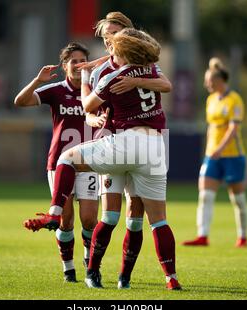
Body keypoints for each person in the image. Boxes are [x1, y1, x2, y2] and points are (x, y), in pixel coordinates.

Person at [23, 28, 182, 291]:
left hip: (124, 143)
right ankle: (171, 277)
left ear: (121, 50)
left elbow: (87, 106)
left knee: (68, 158)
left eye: (112, 42)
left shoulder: (115, 76)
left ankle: (54, 214)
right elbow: (165, 85)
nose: (108, 46)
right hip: (155, 147)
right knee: (158, 221)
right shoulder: (151, 70)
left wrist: (85, 79)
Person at [83, 12, 173, 290]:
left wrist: (136, 81)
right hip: (112, 140)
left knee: (135, 219)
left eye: (114, 33)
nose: (109, 39)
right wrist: (92, 120)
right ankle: (92, 272)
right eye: (105, 34)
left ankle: (125, 278)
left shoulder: (143, 64)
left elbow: (164, 85)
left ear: (127, 35)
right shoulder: (101, 71)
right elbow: (87, 109)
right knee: (109, 216)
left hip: (142, 144)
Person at [14, 43, 99, 282]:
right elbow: (20, 101)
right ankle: (68, 268)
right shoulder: (56, 90)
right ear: (64, 66)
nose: (79, 64)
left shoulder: (94, 92)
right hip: (60, 163)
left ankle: (87, 258)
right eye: (74, 61)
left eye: (83, 60)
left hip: (89, 162)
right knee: (65, 220)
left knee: (90, 218)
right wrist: (37, 80)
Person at [182, 58, 247, 248]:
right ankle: (202, 235)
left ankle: (243, 237)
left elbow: (233, 129)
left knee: (237, 199)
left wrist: (220, 149)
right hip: (213, 156)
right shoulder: (211, 100)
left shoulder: (235, 99)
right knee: (205, 195)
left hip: (232, 156)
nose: (206, 84)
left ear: (219, 80)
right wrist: (211, 151)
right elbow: (212, 128)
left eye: (209, 81)